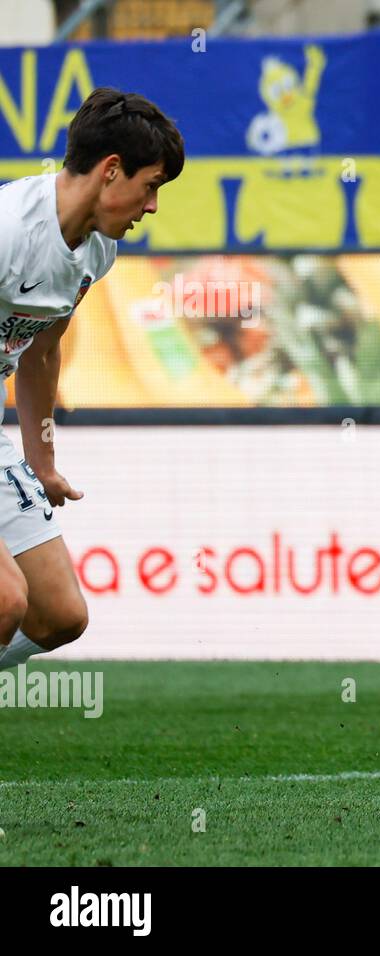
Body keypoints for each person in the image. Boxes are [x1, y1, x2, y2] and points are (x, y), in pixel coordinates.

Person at [0, 88, 185, 671]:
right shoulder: (8, 232)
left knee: (59, 616)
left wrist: (41, 460)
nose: (152, 206)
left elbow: (42, 350)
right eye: (150, 185)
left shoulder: (97, 250)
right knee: (5, 601)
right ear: (111, 171)